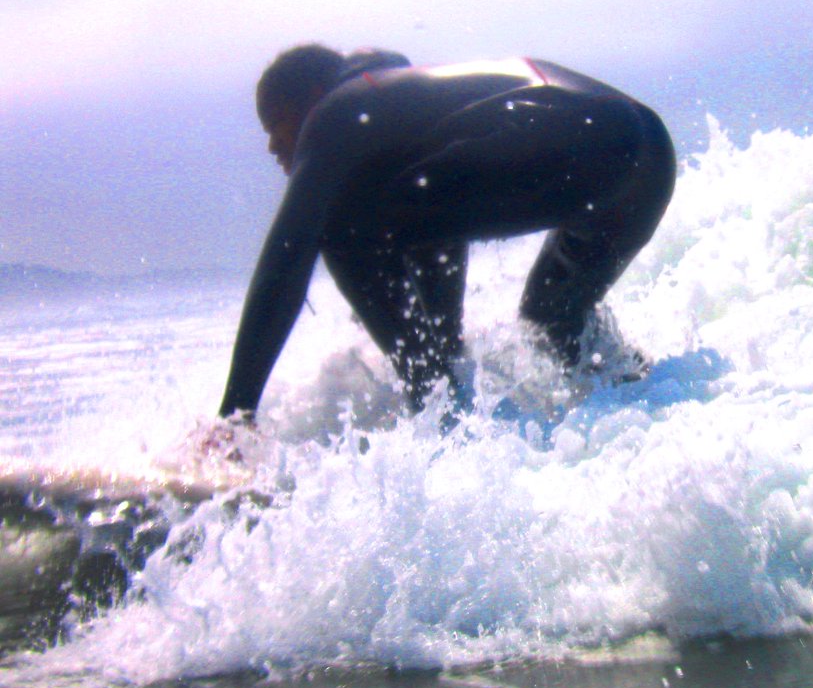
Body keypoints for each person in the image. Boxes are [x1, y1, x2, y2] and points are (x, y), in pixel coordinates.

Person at [217, 45, 676, 423]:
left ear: (313, 97)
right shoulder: (414, 122)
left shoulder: (336, 113)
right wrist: (443, 347)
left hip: (568, 134)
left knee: (337, 223)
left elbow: (288, 252)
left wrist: (234, 416)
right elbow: (437, 229)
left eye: (275, 125)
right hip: (647, 155)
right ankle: (657, 405)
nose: (273, 147)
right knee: (551, 315)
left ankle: (441, 424)